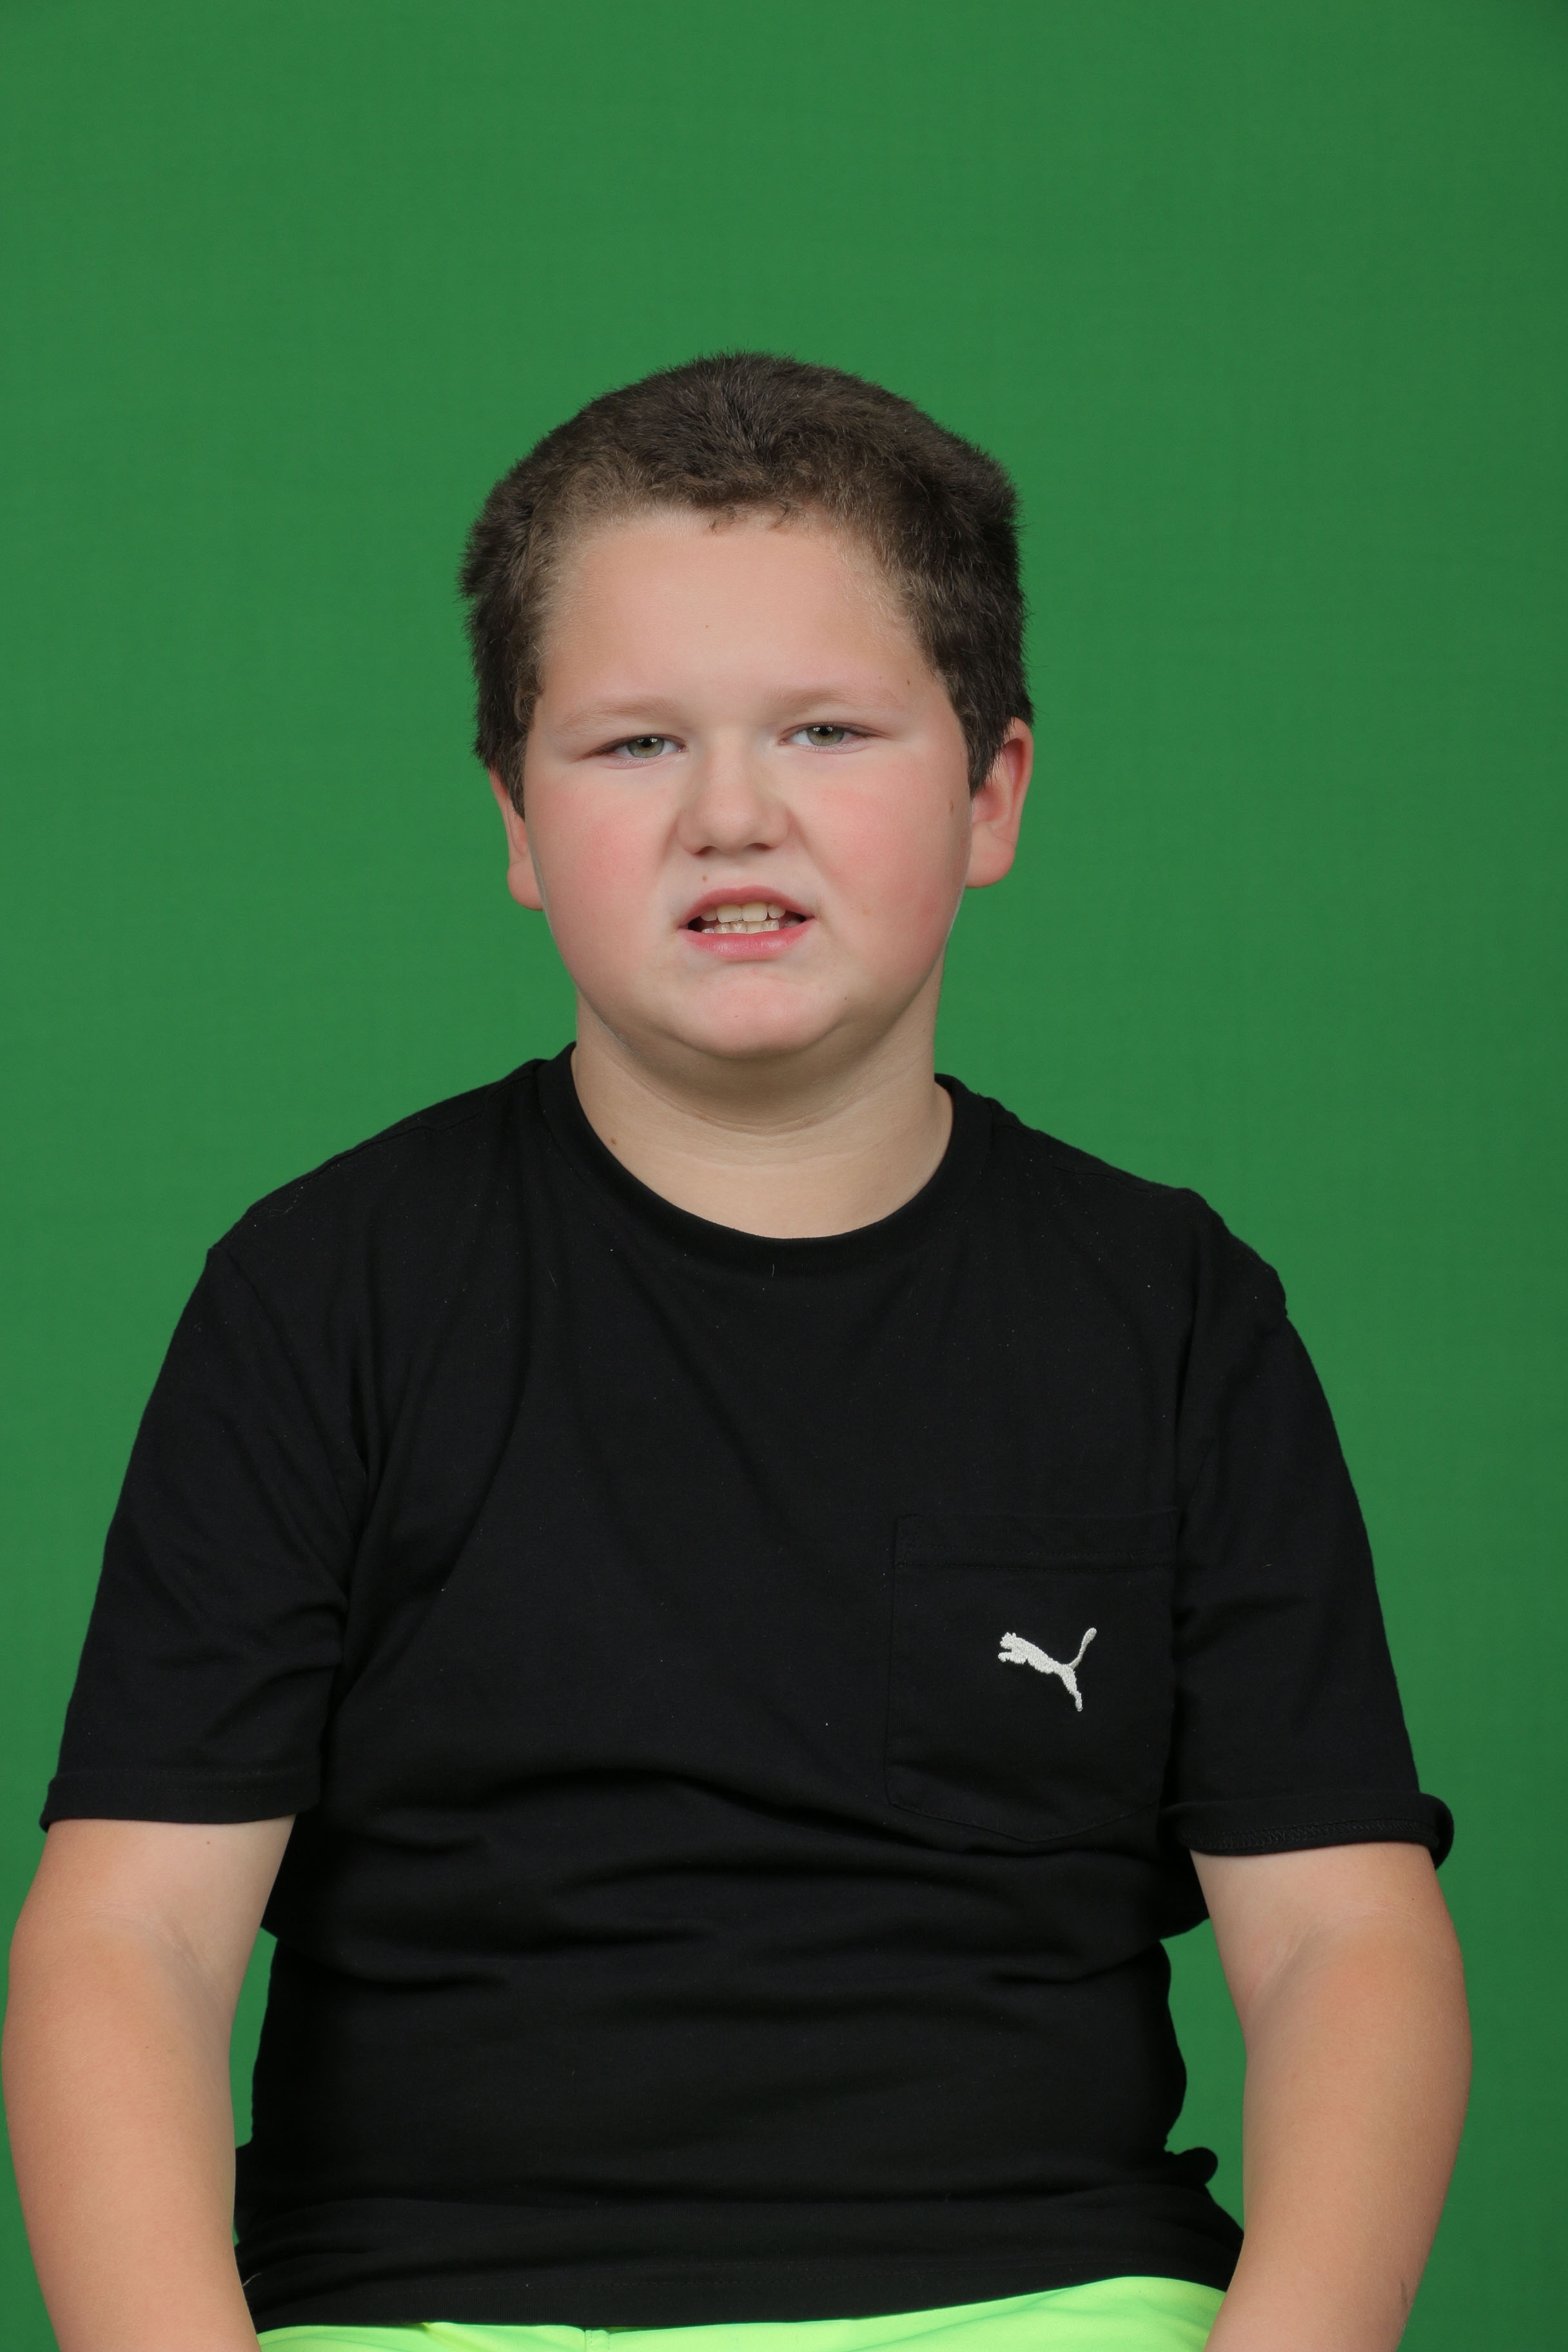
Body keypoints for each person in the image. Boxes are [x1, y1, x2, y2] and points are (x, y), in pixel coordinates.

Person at [3, 354, 1469, 2352]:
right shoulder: (321, 1294)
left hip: (1054, 2298)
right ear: (517, 821)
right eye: (632, 746)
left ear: (993, 794)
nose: (730, 814)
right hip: (428, 2312)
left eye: (827, 729)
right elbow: (130, 1940)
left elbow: (1343, 1948)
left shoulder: (1174, 1314)